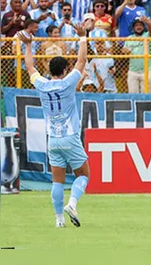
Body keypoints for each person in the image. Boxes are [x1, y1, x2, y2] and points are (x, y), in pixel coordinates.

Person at [18, 22, 89, 228]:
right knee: (84, 175)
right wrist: (82, 37)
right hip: (70, 137)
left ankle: (59, 221)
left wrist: (28, 45)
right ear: (66, 69)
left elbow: (30, 66)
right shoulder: (68, 83)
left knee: (57, 181)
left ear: (49, 69)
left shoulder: (42, 84)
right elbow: (82, 60)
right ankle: (72, 204)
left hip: (53, 139)